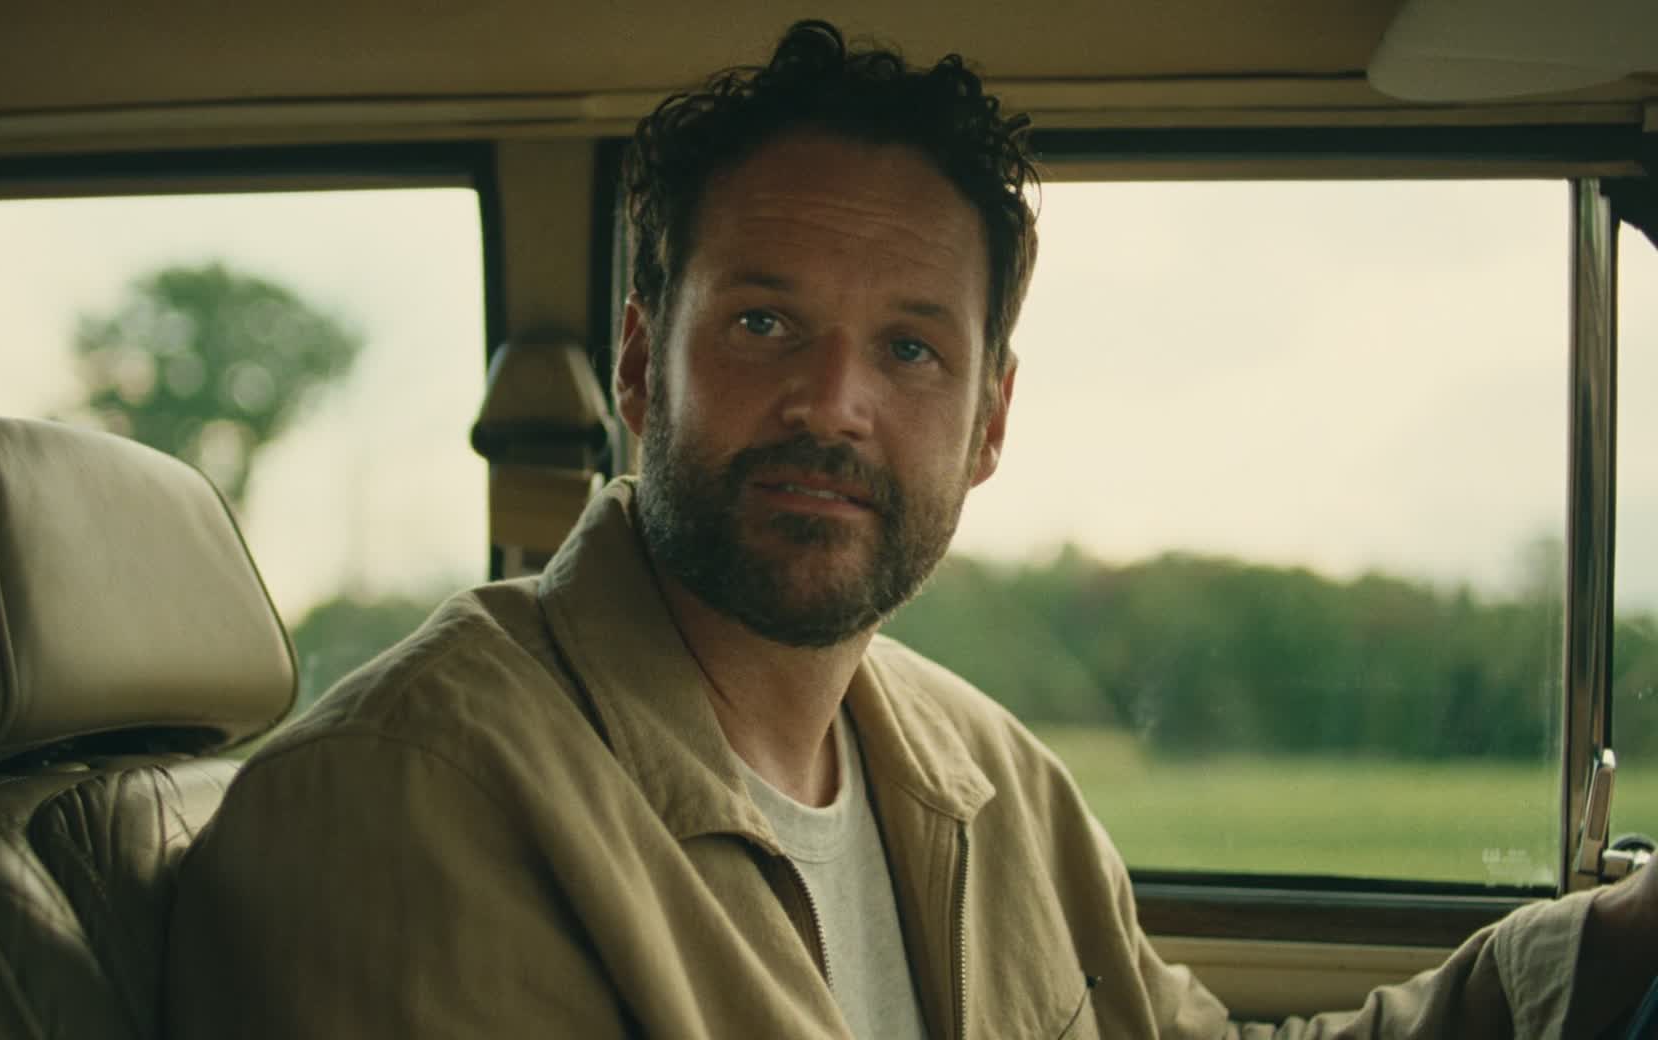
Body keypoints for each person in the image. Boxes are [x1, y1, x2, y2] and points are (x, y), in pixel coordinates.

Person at [167, 21, 1658, 1038]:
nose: (834, 405)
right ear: (639, 366)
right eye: (763, 323)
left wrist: (1605, 947)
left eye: (910, 349)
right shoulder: (399, 802)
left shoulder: (990, 781)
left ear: (988, 423)